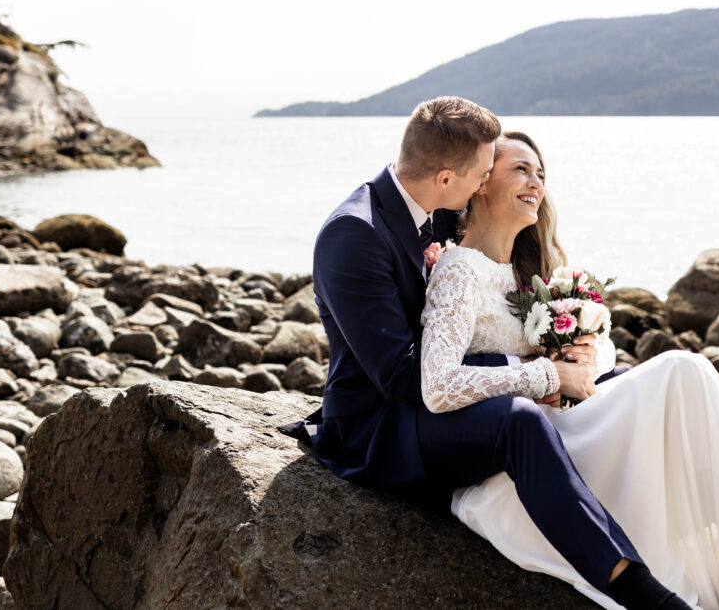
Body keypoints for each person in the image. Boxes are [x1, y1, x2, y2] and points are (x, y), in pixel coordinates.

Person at [419, 130, 719, 609]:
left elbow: (602, 348)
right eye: (521, 169)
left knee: (686, 380)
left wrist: (582, 359)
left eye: (541, 174)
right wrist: (545, 373)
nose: (536, 182)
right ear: (480, 181)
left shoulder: (532, 272)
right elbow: (439, 382)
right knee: (681, 373)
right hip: (530, 456)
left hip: (570, 421)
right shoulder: (459, 270)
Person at [277, 96, 688, 609]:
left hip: (430, 399)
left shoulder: (429, 212)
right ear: (447, 178)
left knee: (622, 384)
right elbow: (404, 379)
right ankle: (642, 593)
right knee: (517, 421)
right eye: (482, 173)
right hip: (381, 427)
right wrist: (538, 375)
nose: (484, 184)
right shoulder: (354, 234)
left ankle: (677, 532)